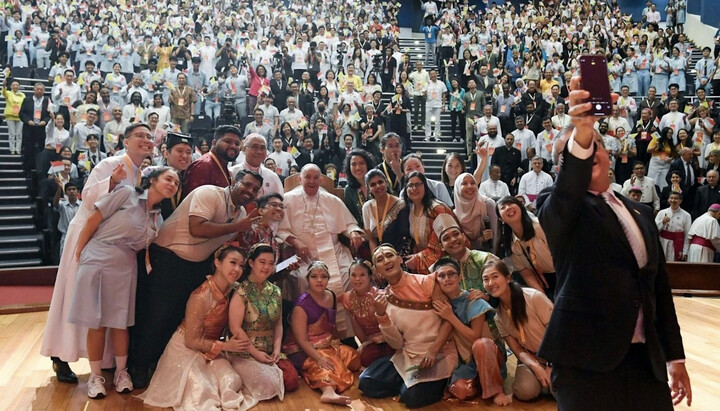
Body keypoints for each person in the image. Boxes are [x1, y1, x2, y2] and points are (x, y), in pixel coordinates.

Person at [536, 76, 691, 410]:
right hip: (585, 363)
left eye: (595, 146)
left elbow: (659, 290)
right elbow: (568, 189)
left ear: (607, 153)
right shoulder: (557, 206)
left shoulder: (641, 212)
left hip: (643, 362)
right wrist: (582, 132)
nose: (588, 153)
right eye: (572, 154)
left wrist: (674, 357)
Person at [41, 123, 155, 384]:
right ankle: (60, 356)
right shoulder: (110, 164)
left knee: (104, 306)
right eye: (139, 136)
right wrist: (112, 181)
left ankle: (103, 362)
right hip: (88, 234)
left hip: (114, 244)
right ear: (125, 141)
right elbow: (89, 197)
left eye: (149, 137)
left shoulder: (144, 173)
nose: (146, 140)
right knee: (75, 297)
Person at [128, 170, 263, 388]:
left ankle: (157, 363)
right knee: (157, 316)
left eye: (255, 189)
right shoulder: (209, 193)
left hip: (194, 266)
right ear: (233, 182)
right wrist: (237, 228)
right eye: (246, 185)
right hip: (167, 259)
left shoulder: (239, 215)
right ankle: (137, 366)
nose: (250, 191)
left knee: (177, 319)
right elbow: (197, 228)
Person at [68, 167, 179, 398]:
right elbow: (94, 219)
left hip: (126, 265)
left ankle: (121, 372)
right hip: (98, 256)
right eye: (168, 179)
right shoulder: (126, 193)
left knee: (121, 321)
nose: (172, 184)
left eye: (176, 183)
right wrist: (80, 251)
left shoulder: (159, 216)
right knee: (96, 321)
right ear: (152, 180)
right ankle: (96, 376)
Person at [138, 245, 251, 410]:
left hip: (212, 349)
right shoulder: (200, 296)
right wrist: (225, 346)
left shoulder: (234, 290)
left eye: (241, 266)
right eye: (232, 262)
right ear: (217, 263)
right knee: (201, 391)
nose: (237, 269)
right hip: (186, 349)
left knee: (230, 380)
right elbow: (191, 340)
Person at [358, 245, 457, 409]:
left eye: (390, 256)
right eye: (380, 260)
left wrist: (433, 350)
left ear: (399, 259)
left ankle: (420, 384)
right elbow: (397, 344)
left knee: (412, 397)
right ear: (376, 270)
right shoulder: (384, 298)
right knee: (366, 381)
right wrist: (381, 316)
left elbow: (449, 320)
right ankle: (408, 383)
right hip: (408, 354)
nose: (387, 261)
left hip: (438, 352)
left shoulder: (426, 282)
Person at [277, 164, 365, 339]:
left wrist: (354, 233)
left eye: (315, 177)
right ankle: (308, 334)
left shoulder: (331, 199)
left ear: (321, 180)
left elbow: (349, 224)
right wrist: (295, 241)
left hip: (334, 252)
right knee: (302, 279)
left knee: (347, 274)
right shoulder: (287, 200)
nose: (311, 181)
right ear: (300, 178)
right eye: (307, 177)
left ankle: (345, 334)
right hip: (303, 256)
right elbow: (279, 229)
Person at [227, 244, 299, 406]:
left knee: (291, 381)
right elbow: (235, 328)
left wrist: (276, 349)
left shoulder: (275, 291)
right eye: (262, 262)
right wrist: (255, 353)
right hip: (245, 352)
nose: (267, 267)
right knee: (270, 385)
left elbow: (279, 324)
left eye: (271, 263)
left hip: (270, 350)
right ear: (251, 263)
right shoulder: (241, 291)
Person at [432, 257, 511, 406]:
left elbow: (475, 337)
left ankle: (496, 390)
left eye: (451, 274)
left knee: (481, 345)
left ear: (459, 277)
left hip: (488, 354)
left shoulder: (473, 299)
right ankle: (480, 382)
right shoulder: (441, 303)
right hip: (466, 362)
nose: (447, 279)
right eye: (441, 276)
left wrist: (450, 317)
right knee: (460, 391)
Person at [282, 261, 361, 406]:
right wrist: (319, 358)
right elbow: (302, 340)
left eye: (323, 276)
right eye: (314, 277)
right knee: (325, 364)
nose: (319, 280)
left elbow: (331, 326)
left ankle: (332, 366)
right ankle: (328, 392)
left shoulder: (330, 295)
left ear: (328, 279)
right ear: (307, 280)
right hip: (303, 349)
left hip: (326, 343)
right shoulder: (301, 305)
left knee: (353, 357)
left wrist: (337, 345)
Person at [482, 259, 554, 402]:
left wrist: (551, 364)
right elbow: (516, 349)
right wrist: (536, 367)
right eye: (486, 279)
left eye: (495, 276)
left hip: (557, 356)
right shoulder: (498, 315)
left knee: (558, 389)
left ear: (508, 277)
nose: (490, 283)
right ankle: (544, 384)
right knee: (524, 390)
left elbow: (558, 333)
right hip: (534, 358)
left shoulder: (533, 297)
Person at [337, 259, 395, 367]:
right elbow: (356, 326)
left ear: (369, 276)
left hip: (389, 338)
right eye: (353, 275)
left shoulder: (380, 295)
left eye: (362, 275)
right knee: (365, 358)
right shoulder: (347, 298)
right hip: (370, 342)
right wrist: (365, 344)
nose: (357, 279)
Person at [496, 195, 556, 298]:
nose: (508, 208)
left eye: (511, 203)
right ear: (501, 219)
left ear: (520, 207)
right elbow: (526, 273)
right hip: (544, 281)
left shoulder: (539, 226)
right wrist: (543, 298)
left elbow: (563, 253)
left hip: (565, 272)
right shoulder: (511, 244)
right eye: (503, 207)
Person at [403, 171, 461, 274]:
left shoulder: (437, 209)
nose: (414, 188)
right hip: (424, 256)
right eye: (410, 185)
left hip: (446, 260)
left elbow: (442, 245)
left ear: (425, 186)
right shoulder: (409, 208)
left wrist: (417, 259)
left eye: (418, 184)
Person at [362, 169, 412, 256]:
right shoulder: (367, 207)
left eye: (380, 182)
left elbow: (404, 238)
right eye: (373, 184)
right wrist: (376, 260)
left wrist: (393, 259)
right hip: (379, 255)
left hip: (400, 254)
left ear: (386, 183)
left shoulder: (401, 205)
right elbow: (371, 239)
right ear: (369, 189)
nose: (378, 186)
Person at [183, 125, 242, 196]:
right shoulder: (203, 165)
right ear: (214, 143)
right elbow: (193, 202)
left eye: (237, 144)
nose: (233, 146)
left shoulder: (223, 164)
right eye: (228, 141)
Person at [228, 133, 284, 199]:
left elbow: (280, 202)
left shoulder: (272, 176)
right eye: (255, 147)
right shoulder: (231, 173)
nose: (259, 152)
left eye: (263, 148)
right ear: (244, 149)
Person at [454, 172, 498, 251]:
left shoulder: (487, 205)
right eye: (464, 183)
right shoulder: (455, 214)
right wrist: (480, 240)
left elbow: (496, 237)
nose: (470, 186)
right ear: (457, 188)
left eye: (472, 183)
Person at [158, 132, 194, 218]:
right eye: (179, 151)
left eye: (188, 152)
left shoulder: (187, 178)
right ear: (166, 154)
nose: (185, 156)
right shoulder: (157, 177)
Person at [655, 191, 692, 262]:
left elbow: (687, 234)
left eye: (676, 198)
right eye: (671, 198)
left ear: (680, 201)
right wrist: (662, 222)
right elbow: (655, 229)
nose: (673, 200)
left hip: (677, 243)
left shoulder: (686, 215)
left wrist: (685, 251)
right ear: (668, 200)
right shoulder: (661, 213)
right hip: (663, 242)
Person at [343, 148, 375, 227]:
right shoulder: (349, 190)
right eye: (354, 164)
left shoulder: (378, 182)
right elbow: (351, 217)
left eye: (361, 163)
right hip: (362, 233)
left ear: (368, 164)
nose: (358, 167)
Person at [2, 77, 25, 155]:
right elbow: (3, 93)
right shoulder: (8, 93)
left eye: (17, 85)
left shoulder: (22, 95)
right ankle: (12, 149)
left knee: (19, 134)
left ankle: (18, 149)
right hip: (10, 116)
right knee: (12, 134)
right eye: (13, 85)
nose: (15, 86)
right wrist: (4, 86)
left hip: (20, 117)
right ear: (11, 86)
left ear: (19, 86)